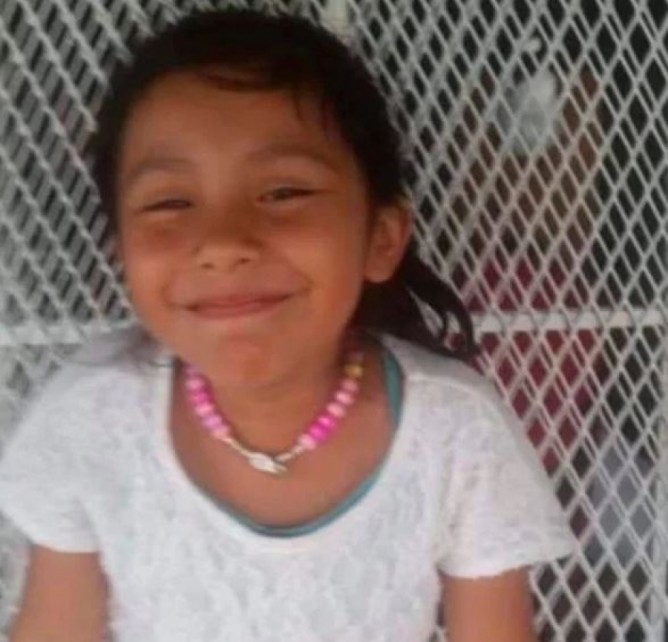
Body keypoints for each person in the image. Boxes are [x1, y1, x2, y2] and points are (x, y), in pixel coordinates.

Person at [0, 8, 574, 642]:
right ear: (122, 255)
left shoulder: (456, 432)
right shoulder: (91, 420)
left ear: (381, 238)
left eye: (283, 193)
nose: (223, 244)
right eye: (170, 202)